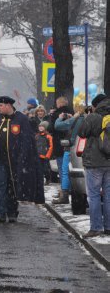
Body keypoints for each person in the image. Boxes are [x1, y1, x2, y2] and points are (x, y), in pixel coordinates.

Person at [0, 96, 44, 222]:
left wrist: (23, 158)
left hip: (15, 161)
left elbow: (27, 141)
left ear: (8, 105)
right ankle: (0, 211)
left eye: (1, 105)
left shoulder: (21, 119)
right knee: (0, 184)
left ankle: (12, 211)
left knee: (13, 186)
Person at [76, 94, 110, 238]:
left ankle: (96, 227)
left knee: (94, 195)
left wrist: (88, 116)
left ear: (95, 105)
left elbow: (81, 132)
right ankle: (108, 227)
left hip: (94, 162)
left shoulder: (93, 117)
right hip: (109, 161)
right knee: (108, 195)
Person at [52, 102, 85, 204]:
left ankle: (64, 196)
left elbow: (57, 126)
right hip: (87, 150)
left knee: (65, 171)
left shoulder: (75, 119)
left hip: (71, 148)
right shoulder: (87, 119)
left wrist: (60, 118)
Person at [48, 96, 74, 204]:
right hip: (72, 145)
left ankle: (64, 193)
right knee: (71, 170)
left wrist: (52, 116)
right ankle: (72, 191)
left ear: (58, 104)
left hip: (59, 145)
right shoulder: (73, 113)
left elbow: (50, 128)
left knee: (62, 170)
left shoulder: (56, 114)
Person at [35, 121, 53, 185]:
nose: (40, 128)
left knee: (46, 169)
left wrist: (48, 155)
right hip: (38, 155)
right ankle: (40, 180)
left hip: (45, 156)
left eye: (42, 126)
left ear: (45, 128)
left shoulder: (48, 136)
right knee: (39, 169)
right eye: (40, 126)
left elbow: (51, 147)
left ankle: (48, 179)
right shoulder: (36, 136)